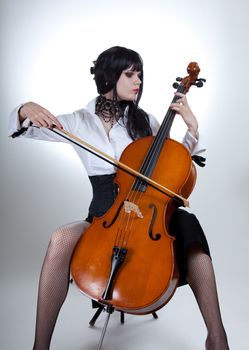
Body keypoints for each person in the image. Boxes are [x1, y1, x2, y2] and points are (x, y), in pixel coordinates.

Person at [8, 46, 229, 350]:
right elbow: (23, 129)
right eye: (130, 74)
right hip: (103, 216)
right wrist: (25, 107)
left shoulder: (147, 122)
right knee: (60, 238)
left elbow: (178, 164)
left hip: (150, 216)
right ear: (110, 76)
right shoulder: (77, 122)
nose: (138, 80)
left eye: (140, 74)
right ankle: (40, 346)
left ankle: (216, 337)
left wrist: (191, 127)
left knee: (190, 232)